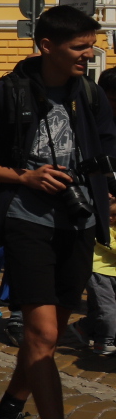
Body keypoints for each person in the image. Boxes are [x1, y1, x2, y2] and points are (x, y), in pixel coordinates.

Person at [0, 4, 116, 419]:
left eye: (92, 44)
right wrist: (25, 177)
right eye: (80, 47)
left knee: (48, 339)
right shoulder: (5, 94)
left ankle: (7, 413)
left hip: (77, 225)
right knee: (41, 331)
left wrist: (108, 196)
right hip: (25, 223)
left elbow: (105, 155)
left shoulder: (91, 95)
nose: (90, 53)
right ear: (46, 47)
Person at [82, 69, 116, 359]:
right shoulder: (88, 119)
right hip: (98, 240)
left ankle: (88, 328)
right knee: (105, 303)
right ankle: (102, 337)